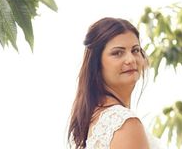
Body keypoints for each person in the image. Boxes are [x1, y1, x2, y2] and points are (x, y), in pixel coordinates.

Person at [68, 17, 163, 149]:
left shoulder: (88, 121)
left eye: (135, 50)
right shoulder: (125, 124)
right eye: (117, 53)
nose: (130, 59)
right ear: (97, 63)